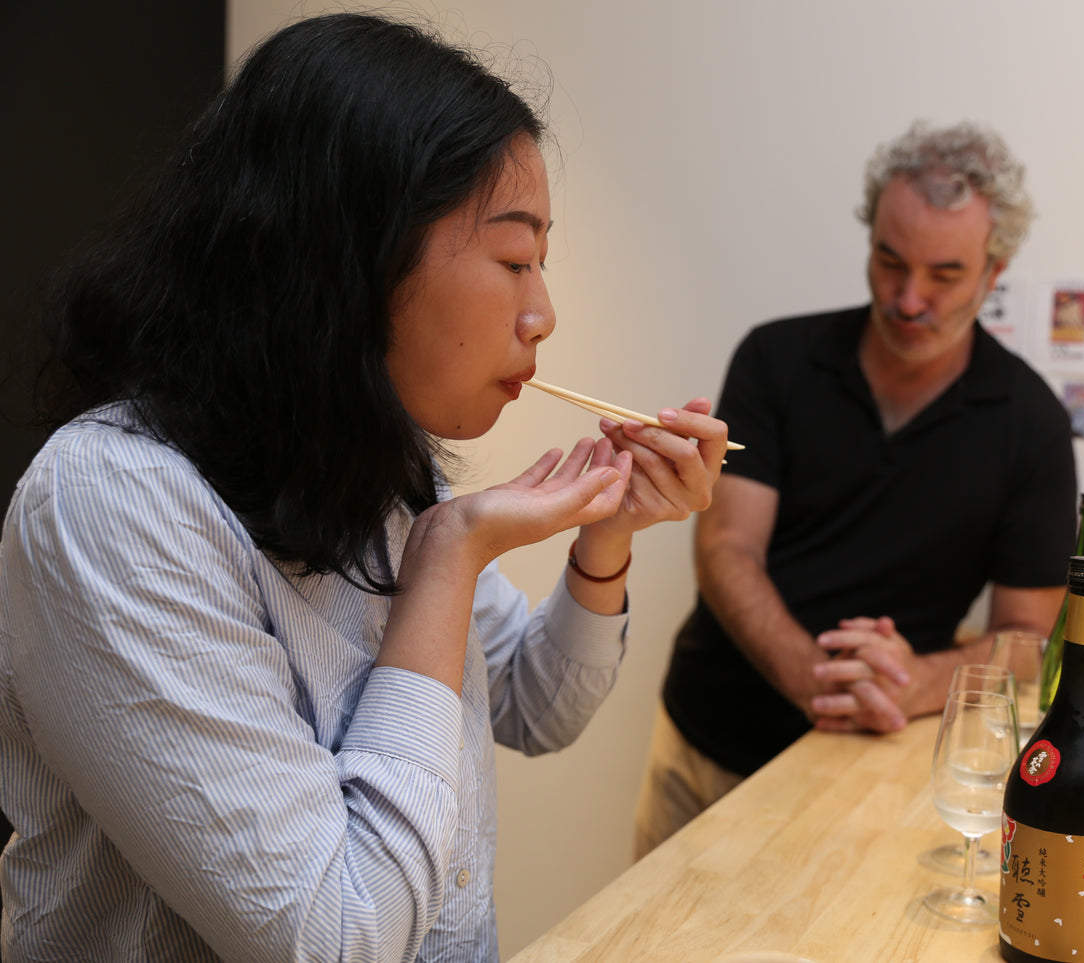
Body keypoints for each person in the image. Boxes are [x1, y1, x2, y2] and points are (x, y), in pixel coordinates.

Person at [0, 13, 727, 962]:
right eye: (514, 260)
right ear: (347, 256)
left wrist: (606, 536)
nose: (543, 312)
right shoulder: (113, 504)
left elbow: (539, 706)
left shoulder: (373, 458)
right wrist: (448, 558)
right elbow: (336, 937)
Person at [633, 120, 1077, 858]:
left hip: (868, 768)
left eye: (944, 274)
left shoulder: (1029, 422)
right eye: (889, 261)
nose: (907, 299)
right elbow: (725, 545)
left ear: (992, 273)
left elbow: (1030, 637)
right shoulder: (775, 359)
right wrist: (813, 677)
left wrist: (910, 683)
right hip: (707, 741)